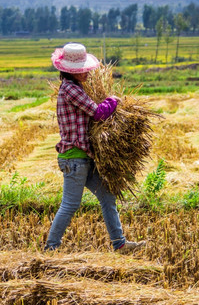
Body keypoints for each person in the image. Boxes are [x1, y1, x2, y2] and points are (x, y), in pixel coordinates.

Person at [44, 43, 146, 253]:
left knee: (107, 195)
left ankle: (120, 244)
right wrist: (112, 101)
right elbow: (98, 113)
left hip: (84, 157)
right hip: (74, 158)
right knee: (70, 205)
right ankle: (50, 248)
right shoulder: (71, 90)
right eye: (81, 70)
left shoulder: (74, 87)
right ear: (70, 71)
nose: (86, 73)